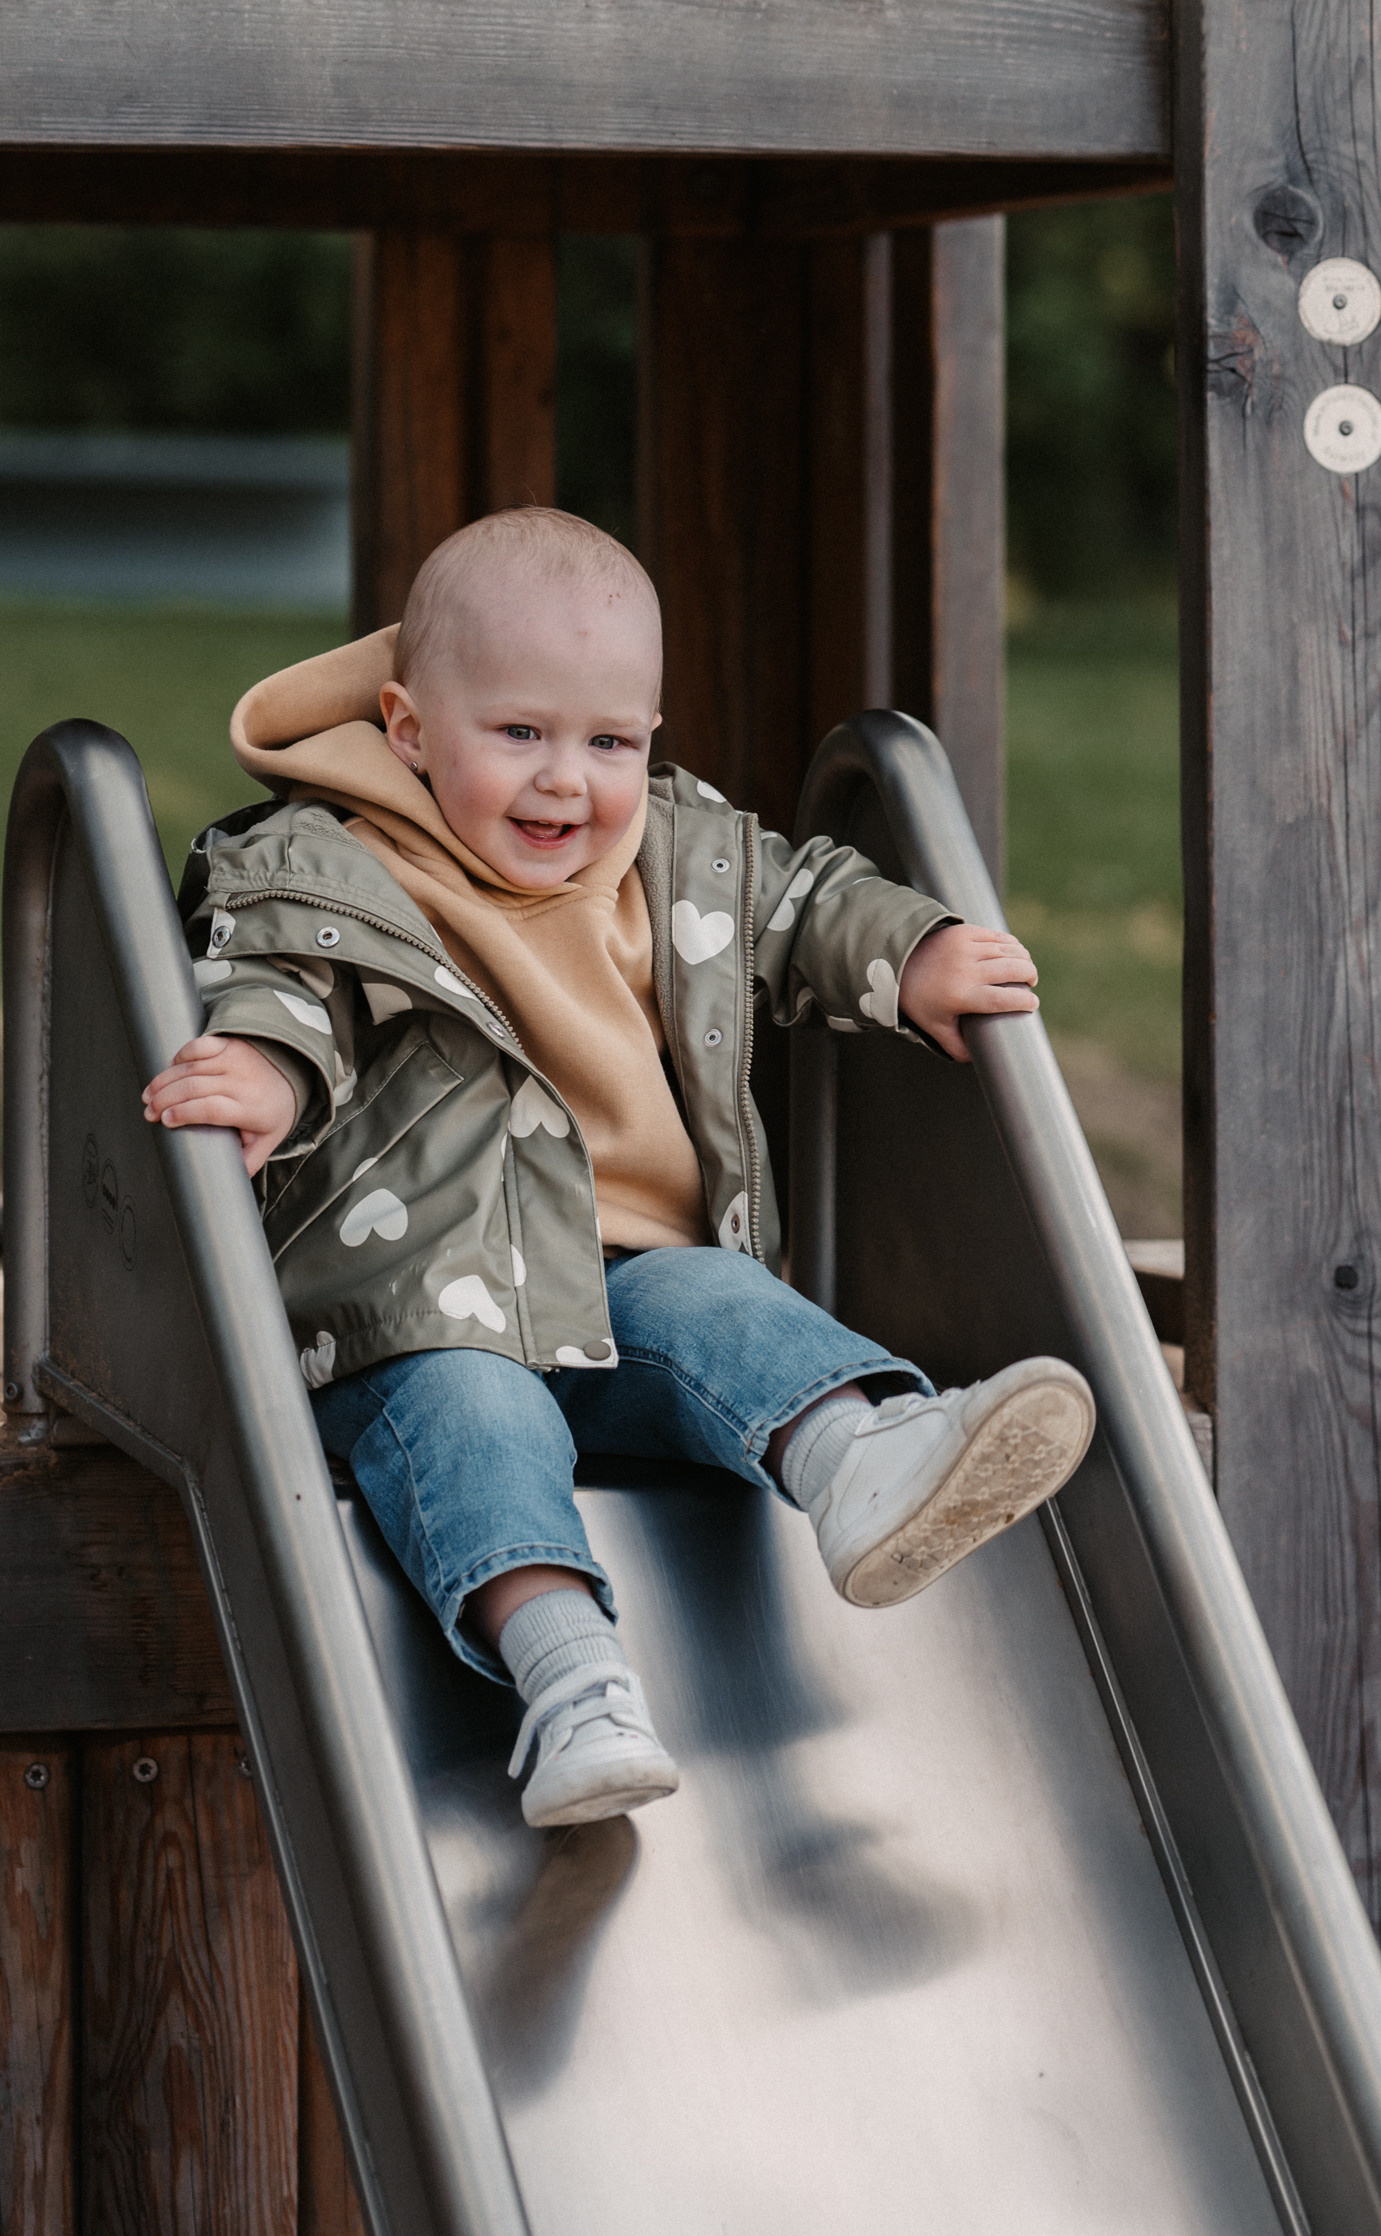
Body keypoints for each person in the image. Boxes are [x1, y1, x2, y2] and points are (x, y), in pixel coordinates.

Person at [143, 506, 1094, 1831]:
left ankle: (861, 1464)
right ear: (411, 730)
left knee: (720, 1305)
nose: (562, 783)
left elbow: (800, 902)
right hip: (418, 1310)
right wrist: (261, 1071)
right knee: (474, 1425)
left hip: (622, 1285)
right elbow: (284, 987)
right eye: (518, 734)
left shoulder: (666, 850)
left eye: (607, 742)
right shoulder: (332, 866)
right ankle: (571, 1687)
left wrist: (913, 952)